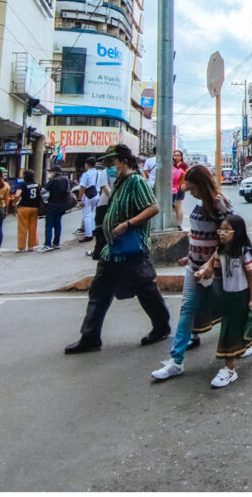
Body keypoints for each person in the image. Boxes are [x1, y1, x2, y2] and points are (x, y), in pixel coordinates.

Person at [64, 144, 170, 354]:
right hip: (112, 250)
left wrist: (127, 224)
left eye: (111, 163)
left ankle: (161, 326)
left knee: (146, 290)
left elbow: (153, 208)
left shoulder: (136, 182)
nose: (109, 168)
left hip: (132, 249)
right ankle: (90, 337)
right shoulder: (120, 183)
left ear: (123, 161)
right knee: (99, 292)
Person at [152, 165, 242, 380]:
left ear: (202, 185)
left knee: (231, 310)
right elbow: (198, 235)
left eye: (193, 188)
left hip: (216, 271)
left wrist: (211, 263)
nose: (191, 193)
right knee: (187, 310)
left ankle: (251, 342)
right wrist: (190, 256)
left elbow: (228, 238)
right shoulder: (201, 204)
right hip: (195, 267)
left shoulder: (220, 204)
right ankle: (176, 361)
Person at [194, 214, 252, 387]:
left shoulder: (244, 253)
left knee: (240, 328)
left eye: (226, 230)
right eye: (220, 230)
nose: (222, 234)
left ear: (237, 232)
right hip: (228, 297)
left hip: (242, 296)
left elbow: (251, 277)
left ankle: (230, 368)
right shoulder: (221, 251)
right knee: (234, 329)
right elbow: (215, 271)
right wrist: (202, 273)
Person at [88, 162, 118, 258]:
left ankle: (99, 252)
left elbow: (104, 187)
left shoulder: (106, 171)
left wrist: (113, 198)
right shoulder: (123, 171)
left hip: (105, 203)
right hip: (117, 204)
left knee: (100, 229)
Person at [39, 165, 70, 252]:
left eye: (51, 172)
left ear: (55, 172)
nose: (50, 173)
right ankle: (56, 243)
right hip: (62, 204)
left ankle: (47, 244)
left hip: (52, 204)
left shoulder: (53, 180)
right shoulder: (65, 179)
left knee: (49, 225)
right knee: (58, 224)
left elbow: (43, 191)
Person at [78, 157, 99, 243]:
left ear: (87, 165)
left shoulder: (86, 174)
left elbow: (82, 187)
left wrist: (79, 199)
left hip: (88, 196)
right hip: (96, 194)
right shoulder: (98, 173)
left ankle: (88, 235)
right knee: (91, 213)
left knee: (86, 214)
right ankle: (93, 230)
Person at [172, 159, 186, 228]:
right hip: (175, 190)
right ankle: (179, 224)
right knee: (178, 208)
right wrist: (177, 185)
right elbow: (183, 177)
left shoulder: (165, 170)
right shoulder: (180, 170)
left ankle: (172, 224)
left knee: (172, 209)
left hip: (168, 191)